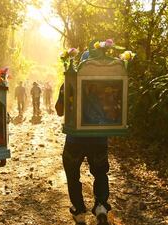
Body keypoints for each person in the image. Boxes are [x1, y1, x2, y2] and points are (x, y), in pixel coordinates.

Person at [55, 84, 111, 225]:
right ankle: (101, 207)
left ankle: (79, 211)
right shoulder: (107, 83)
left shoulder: (69, 82)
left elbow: (59, 111)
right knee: (100, 173)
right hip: (99, 138)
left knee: (72, 174)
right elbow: (113, 111)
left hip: (75, 139)